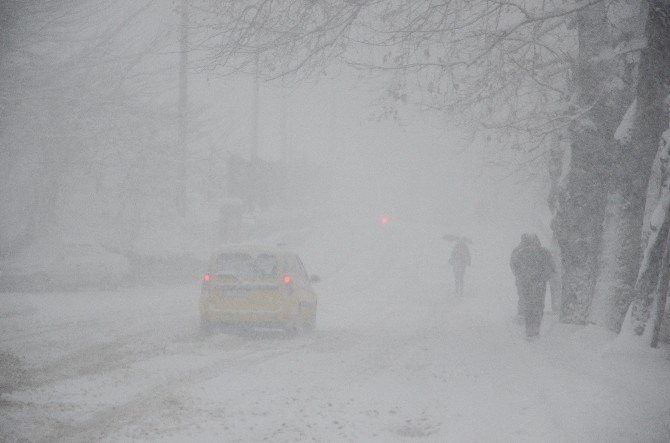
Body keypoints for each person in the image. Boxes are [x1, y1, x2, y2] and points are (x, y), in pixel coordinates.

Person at [510, 234, 554, 338]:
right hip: (539, 285)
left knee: (529, 306)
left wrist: (520, 276)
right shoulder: (544, 252)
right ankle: (535, 330)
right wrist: (544, 277)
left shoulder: (521, 252)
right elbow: (551, 267)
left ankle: (529, 331)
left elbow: (514, 265)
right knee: (538, 306)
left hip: (527, 284)